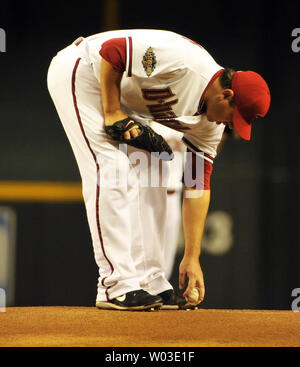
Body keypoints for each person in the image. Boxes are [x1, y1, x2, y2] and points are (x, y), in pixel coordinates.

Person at [47, 29, 270, 311]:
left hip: (126, 98)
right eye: (233, 117)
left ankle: (151, 280)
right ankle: (115, 284)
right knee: (112, 168)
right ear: (226, 95)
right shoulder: (185, 62)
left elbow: (196, 184)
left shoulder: (209, 128)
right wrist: (113, 111)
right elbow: (113, 52)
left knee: (159, 169)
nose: (229, 125)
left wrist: (192, 255)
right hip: (84, 71)